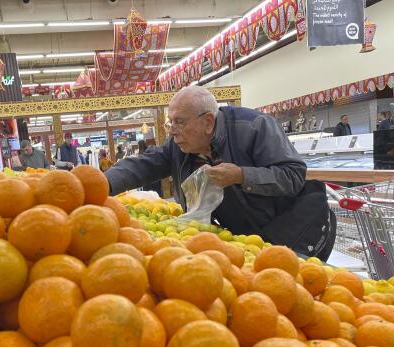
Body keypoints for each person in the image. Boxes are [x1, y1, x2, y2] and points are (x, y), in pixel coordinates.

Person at [105, 86, 336, 261]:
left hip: (293, 230)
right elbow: (143, 165)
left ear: (207, 122)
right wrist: (101, 183)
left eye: (180, 122)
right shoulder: (179, 145)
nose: (173, 131)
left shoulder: (254, 127)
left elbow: (293, 175)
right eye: (170, 123)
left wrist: (242, 175)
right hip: (247, 243)